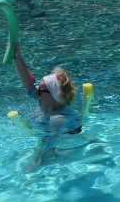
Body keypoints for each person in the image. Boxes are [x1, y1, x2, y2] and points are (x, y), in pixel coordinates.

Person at [12, 43, 81, 172]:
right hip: (50, 130)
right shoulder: (49, 101)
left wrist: (36, 159)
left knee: (53, 158)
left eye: (41, 90)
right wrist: (17, 58)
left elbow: (50, 142)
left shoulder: (58, 119)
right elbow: (30, 84)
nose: (36, 92)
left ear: (55, 96)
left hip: (65, 142)